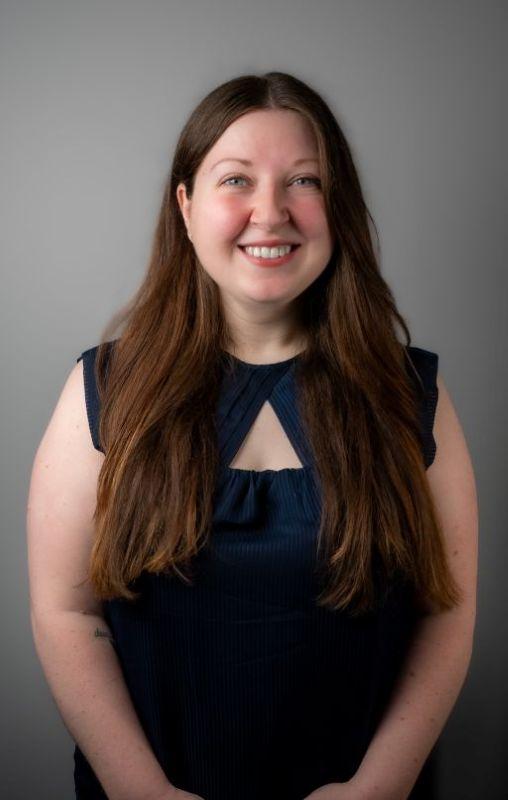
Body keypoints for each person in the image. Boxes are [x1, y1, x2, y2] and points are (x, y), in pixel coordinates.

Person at [27, 71, 478, 800]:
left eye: (304, 181)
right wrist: (143, 793)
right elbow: (67, 612)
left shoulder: (411, 394)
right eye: (235, 180)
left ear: (339, 208)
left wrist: (378, 789)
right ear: (186, 205)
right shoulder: (105, 390)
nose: (270, 213)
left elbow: (447, 610)